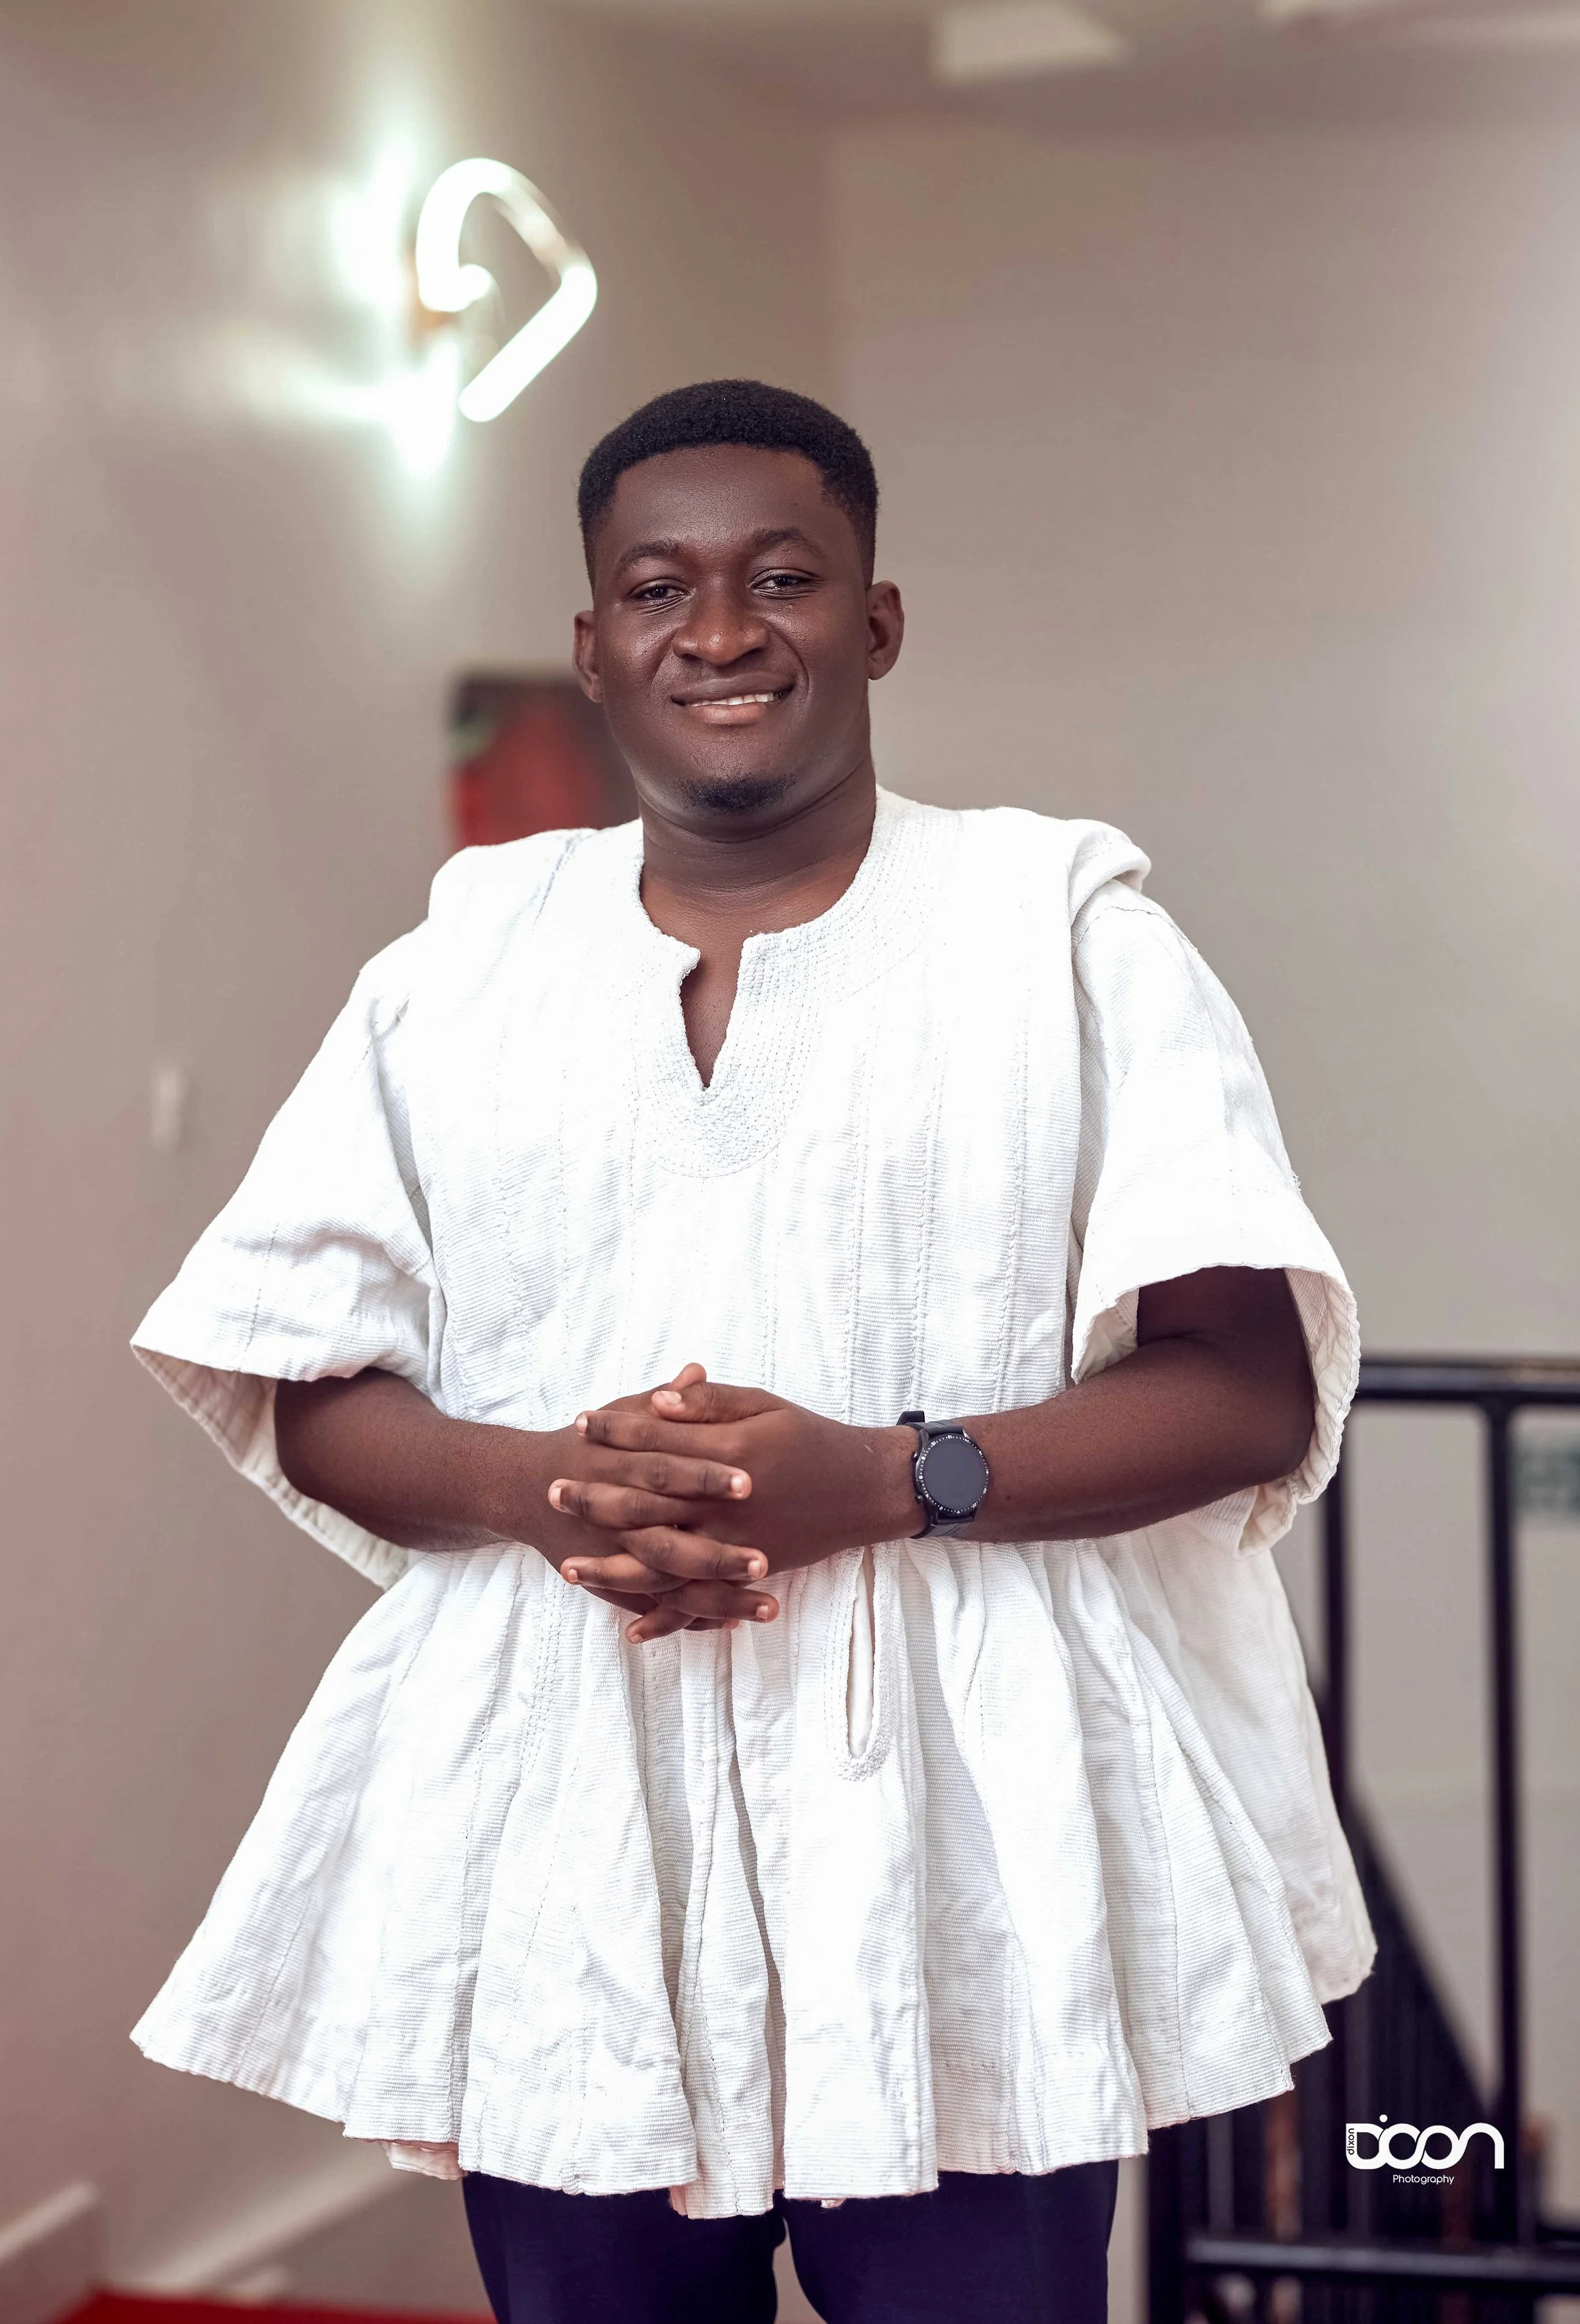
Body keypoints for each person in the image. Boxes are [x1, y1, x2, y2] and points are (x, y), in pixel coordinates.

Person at [131, 380, 1372, 2324]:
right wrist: (537, 1483)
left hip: (974, 1833)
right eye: (659, 587)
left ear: (875, 621)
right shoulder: (459, 961)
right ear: (593, 644)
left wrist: (884, 1478)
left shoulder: (1057, 929)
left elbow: (1246, 1380)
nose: (719, 630)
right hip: (567, 1826)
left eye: (782, 575)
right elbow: (309, 1382)